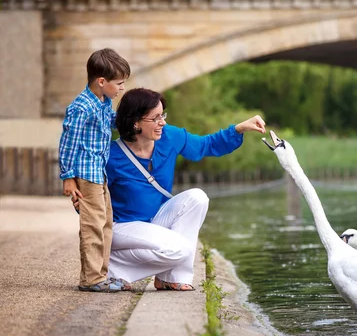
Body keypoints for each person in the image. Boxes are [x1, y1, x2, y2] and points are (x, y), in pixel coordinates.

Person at [75, 87, 266, 291]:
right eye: (155, 118)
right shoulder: (111, 156)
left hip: (155, 220)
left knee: (197, 198)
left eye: (162, 115)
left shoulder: (170, 137)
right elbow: (89, 201)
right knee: (180, 249)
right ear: (135, 122)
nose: (162, 123)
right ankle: (116, 269)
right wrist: (80, 198)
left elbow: (205, 145)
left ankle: (171, 277)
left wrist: (239, 128)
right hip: (122, 227)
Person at [59, 48, 131, 292]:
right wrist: (68, 177)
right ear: (102, 81)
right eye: (119, 83)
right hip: (86, 174)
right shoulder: (81, 107)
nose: (121, 88)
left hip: (99, 172)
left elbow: (110, 120)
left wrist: (132, 120)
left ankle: (102, 274)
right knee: (92, 225)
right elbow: (69, 143)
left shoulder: (103, 102)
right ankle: (91, 279)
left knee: (105, 223)